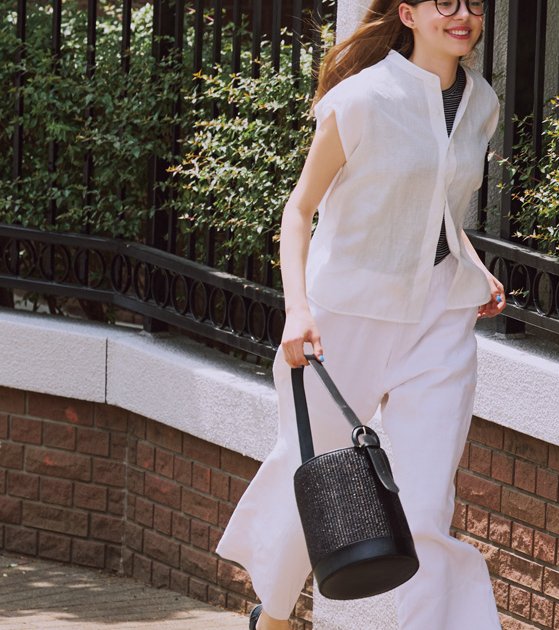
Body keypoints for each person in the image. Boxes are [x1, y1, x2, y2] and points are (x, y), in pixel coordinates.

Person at [216, 1, 505, 628]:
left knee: (428, 508)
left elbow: (438, 207)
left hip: (439, 317)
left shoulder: (482, 102)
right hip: (343, 316)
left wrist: (473, 264)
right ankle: (274, 614)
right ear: (408, 13)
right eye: (445, 3)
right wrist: (297, 311)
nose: (462, 15)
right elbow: (299, 211)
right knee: (314, 471)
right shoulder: (362, 99)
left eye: (473, 4)